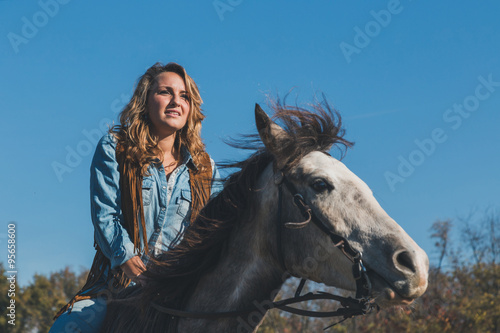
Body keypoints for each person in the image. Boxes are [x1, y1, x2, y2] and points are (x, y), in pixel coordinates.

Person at [50, 62, 222, 332]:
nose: (176, 101)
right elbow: (106, 216)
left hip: (180, 291)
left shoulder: (207, 169)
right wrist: (136, 271)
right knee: (66, 328)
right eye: (166, 92)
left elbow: (215, 233)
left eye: (184, 96)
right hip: (116, 288)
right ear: (145, 99)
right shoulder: (115, 148)